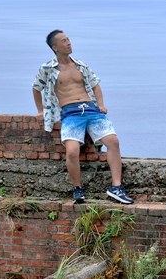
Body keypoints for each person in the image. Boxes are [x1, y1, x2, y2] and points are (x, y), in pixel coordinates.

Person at [32, 29, 133, 204]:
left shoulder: (81, 65)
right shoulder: (47, 68)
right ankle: (78, 189)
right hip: (70, 113)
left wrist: (101, 104)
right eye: (64, 41)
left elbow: (95, 85)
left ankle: (116, 187)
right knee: (72, 151)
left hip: (91, 109)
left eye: (68, 39)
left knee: (113, 141)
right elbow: (36, 88)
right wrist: (41, 111)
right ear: (55, 47)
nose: (68, 43)